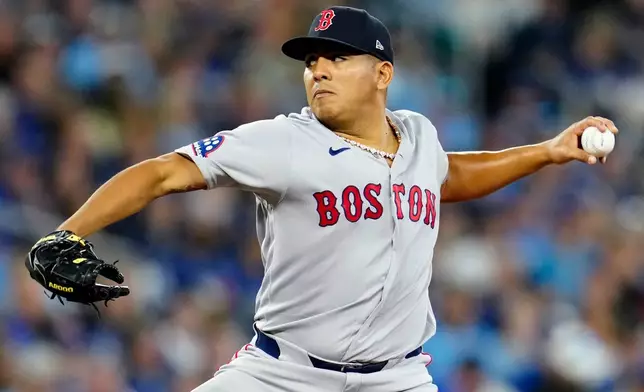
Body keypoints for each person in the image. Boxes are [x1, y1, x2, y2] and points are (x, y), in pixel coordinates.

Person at [26, 6, 618, 392]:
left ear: (382, 74)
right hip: (282, 374)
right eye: (312, 61)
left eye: (337, 57)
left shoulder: (418, 137)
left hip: (398, 379)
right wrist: (69, 231)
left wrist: (547, 150)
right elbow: (163, 173)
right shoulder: (283, 141)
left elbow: (448, 176)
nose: (318, 71)